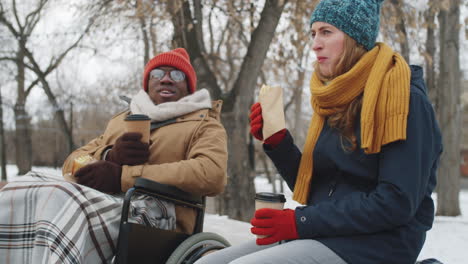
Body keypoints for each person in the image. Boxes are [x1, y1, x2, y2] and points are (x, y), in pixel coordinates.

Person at [195, 0, 442, 264]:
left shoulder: (404, 99)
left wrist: (299, 222)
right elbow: (321, 190)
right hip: (327, 234)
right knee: (208, 262)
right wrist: (279, 143)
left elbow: (396, 203)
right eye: (313, 33)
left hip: (378, 245)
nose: (315, 43)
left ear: (355, 37)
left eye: (326, 32)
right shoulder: (337, 97)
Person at [0, 48, 228, 264]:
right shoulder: (123, 120)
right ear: (147, 83)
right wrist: (109, 157)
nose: (166, 79)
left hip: (159, 213)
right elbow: (73, 162)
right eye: (158, 73)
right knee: (23, 186)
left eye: (177, 74)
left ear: (188, 86)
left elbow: (212, 174)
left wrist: (124, 175)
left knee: (60, 197)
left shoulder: (205, 125)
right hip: (108, 201)